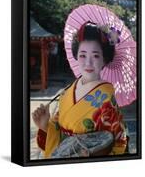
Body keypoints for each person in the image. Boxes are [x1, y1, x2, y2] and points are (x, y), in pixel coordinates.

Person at [32, 21, 128, 158]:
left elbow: (119, 143)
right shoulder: (67, 91)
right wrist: (45, 125)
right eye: (82, 55)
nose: (88, 62)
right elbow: (58, 130)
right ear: (76, 56)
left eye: (95, 56)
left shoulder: (106, 97)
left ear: (104, 59)